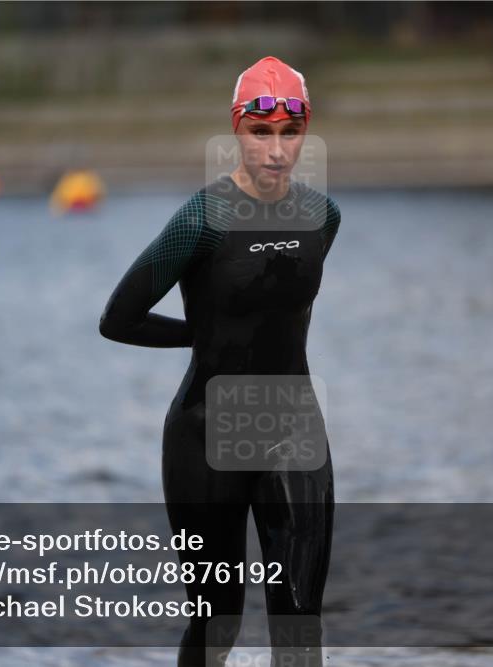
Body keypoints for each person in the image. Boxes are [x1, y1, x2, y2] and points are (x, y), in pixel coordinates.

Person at [99, 56, 341, 666]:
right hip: (206, 433)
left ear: (305, 131)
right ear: (237, 129)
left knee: (300, 627)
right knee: (217, 622)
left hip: (293, 428)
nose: (276, 150)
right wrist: (205, 337)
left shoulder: (323, 217)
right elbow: (118, 319)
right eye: (260, 133)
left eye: (290, 132)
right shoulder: (200, 220)